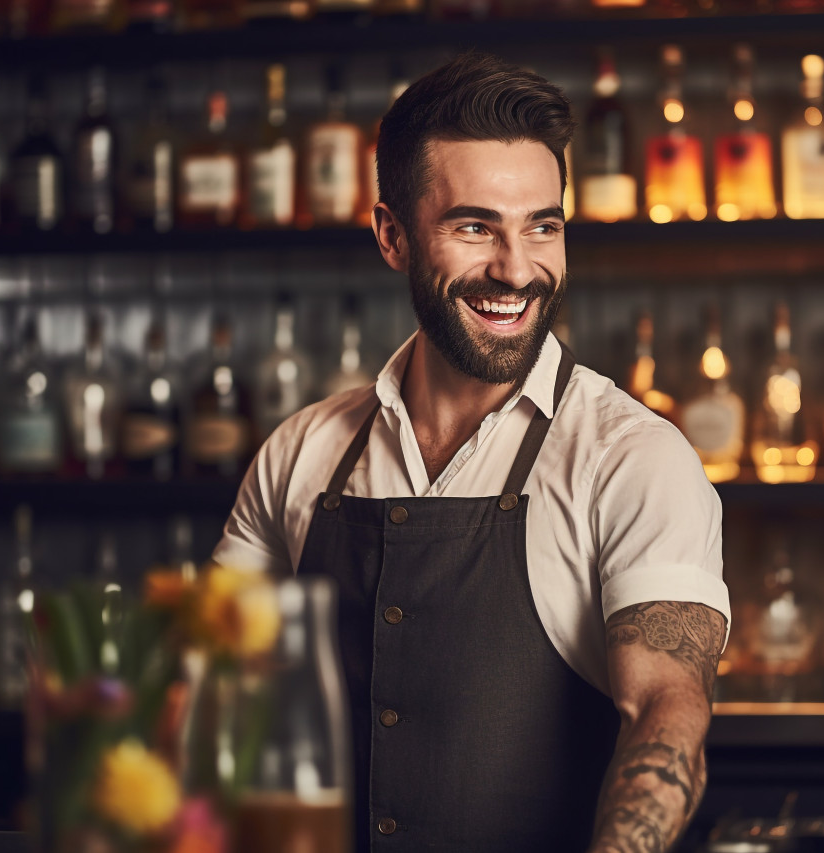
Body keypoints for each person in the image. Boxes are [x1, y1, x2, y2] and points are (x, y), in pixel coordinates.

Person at [212, 51, 729, 853]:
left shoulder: (630, 459)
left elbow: (666, 712)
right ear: (392, 236)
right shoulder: (302, 452)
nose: (516, 270)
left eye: (542, 227)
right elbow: (214, 698)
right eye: (474, 226)